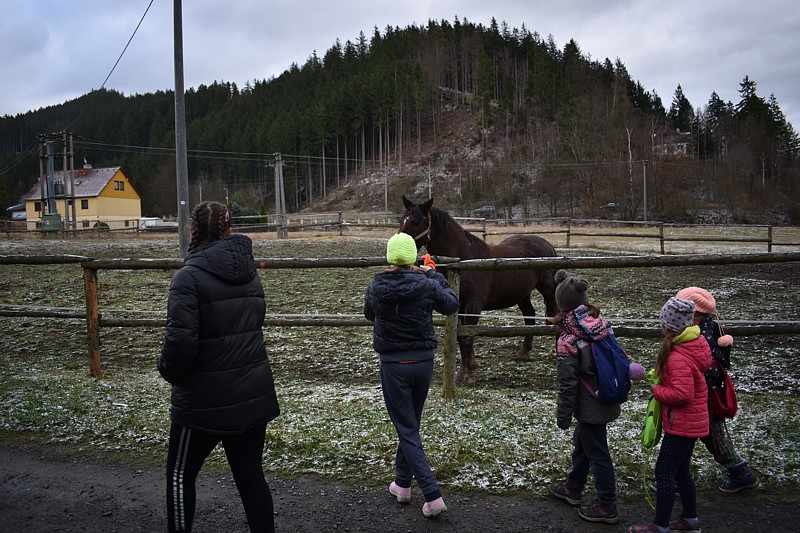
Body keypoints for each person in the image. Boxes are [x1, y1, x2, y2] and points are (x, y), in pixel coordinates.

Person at [158, 201, 280, 533]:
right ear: (228, 230)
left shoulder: (188, 278)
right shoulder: (249, 273)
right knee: (251, 478)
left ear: (191, 231)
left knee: (180, 475)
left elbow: (180, 345)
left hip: (201, 402)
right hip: (251, 393)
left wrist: (169, 371)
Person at [363, 232, 459, 518]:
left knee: (406, 428)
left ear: (390, 258)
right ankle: (402, 484)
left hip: (394, 364)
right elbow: (451, 304)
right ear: (413, 257)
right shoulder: (426, 284)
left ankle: (432, 495)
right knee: (410, 425)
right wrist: (434, 275)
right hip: (423, 362)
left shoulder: (376, 285)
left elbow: (370, 314)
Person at [628, 297, 712, 533]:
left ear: (668, 325)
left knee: (664, 472)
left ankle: (661, 526)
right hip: (690, 422)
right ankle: (690, 520)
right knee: (681, 470)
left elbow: (682, 394)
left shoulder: (677, 356)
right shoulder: (691, 344)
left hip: (683, 424)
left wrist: (657, 390)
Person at [547, 270, 622, 525]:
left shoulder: (568, 338)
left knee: (598, 452)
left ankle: (607, 505)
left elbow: (568, 384)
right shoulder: (600, 322)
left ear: (562, 305)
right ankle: (573, 487)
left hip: (590, 403)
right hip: (605, 393)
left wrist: (563, 415)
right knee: (584, 442)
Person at [675, 286, 758, 493]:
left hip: (704, 393)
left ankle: (740, 473)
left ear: (695, 313)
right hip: (703, 390)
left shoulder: (700, 333)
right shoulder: (710, 328)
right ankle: (675, 476)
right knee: (705, 434)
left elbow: (702, 364)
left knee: (710, 434)